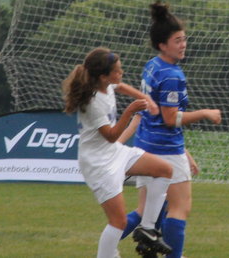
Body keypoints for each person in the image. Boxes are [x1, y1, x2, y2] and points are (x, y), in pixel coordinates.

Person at [131, 0, 222, 258]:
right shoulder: (172, 74)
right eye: (177, 41)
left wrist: (186, 152)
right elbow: (170, 119)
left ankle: (118, 246)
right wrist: (204, 113)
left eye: (184, 39)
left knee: (148, 209)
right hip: (165, 148)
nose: (183, 45)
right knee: (180, 207)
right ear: (163, 45)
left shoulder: (152, 64)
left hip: (146, 144)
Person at [62, 47, 174, 258]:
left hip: (114, 153)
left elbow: (121, 87)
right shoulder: (93, 102)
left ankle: (148, 229)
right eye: (117, 70)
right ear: (103, 77)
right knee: (118, 222)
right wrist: (130, 111)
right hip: (98, 164)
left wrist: (147, 100)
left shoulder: (107, 85)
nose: (121, 73)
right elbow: (111, 136)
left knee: (164, 170)